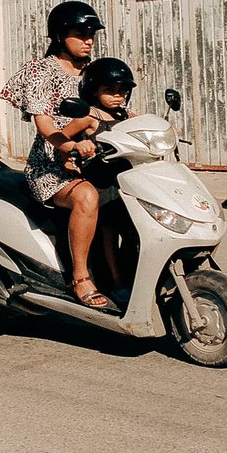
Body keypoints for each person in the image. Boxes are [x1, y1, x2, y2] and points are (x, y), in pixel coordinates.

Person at [0, 0, 110, 309]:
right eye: (81, 34)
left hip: (97, 158)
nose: (88, 40)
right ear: (60, 36)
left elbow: (114, 106)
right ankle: (80, 277)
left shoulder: (94, 71)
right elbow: (45, 125)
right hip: (50, 166)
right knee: (86, 196)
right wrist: (69, 146)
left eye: (92, 34)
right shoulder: (41, 72)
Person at [78, 57, 137, 306]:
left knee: (134, 230)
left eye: (122, 90)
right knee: (109, 234)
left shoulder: (127, 115)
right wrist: (75, 147)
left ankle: (135, 276)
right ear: (94, 90)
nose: (117, 95)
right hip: (103, 183)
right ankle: (116, 282)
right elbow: (63, 138)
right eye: (109, 90)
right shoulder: (89, 116)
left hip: (127, 182)